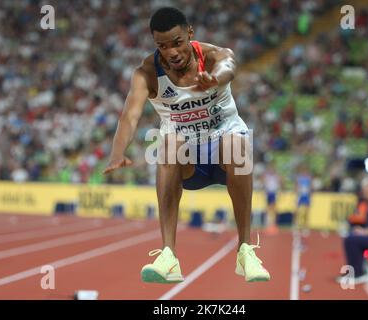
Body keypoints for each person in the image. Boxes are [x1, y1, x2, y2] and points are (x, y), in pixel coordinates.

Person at [103, 7, 270, 283]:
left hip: (223, 148)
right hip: (187, 158)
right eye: (162, 46)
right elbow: (129, 116)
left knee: (235, 143)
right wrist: (117, 153)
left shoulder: (215, 55)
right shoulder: (147, 73)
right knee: (167, 143)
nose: (172, 52)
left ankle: (245, 249)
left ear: (189, 34)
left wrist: (215, 79)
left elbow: (229, 67)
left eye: (177, 42)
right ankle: (168, 256)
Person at [263, 164, 281, 234]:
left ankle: (274, 224)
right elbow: (264, 184)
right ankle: (268, 224)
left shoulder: (276, 176)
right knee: (268, 209)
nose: (271, 170)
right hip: (268, 193)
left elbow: (280, 182)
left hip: (274, 193)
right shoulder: (267, 176)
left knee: (274, 209)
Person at [295, 165, 312, 231]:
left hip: (306, 195)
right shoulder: (299, 178)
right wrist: (296, 195)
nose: (304, 172)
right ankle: (297, 224)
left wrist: (310, 194)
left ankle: (305, 226)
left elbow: (310, 187)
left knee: (306, 211)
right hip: (300, 195)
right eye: (303, 170)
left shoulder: (308, 178)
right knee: (297, 211)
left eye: (305, 170)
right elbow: (296, 186)